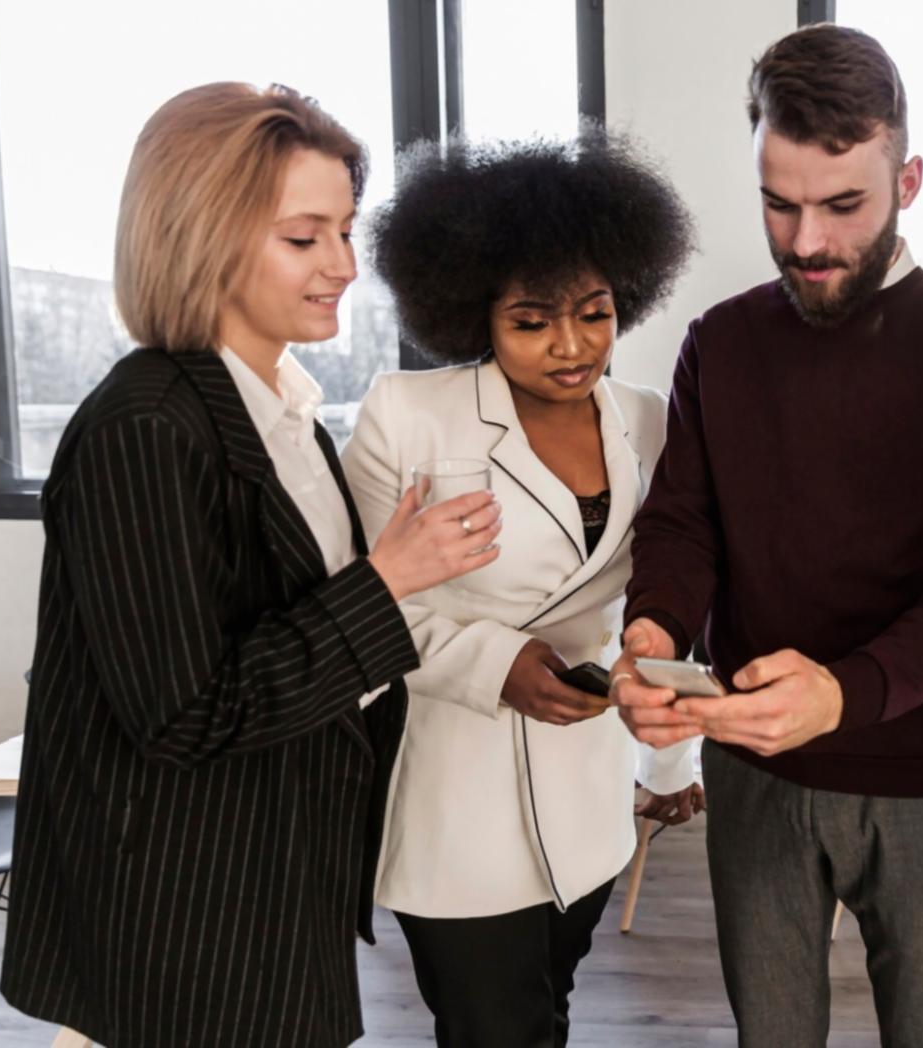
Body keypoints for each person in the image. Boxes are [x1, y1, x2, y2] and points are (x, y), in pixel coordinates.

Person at [0, 83, 501, 1048]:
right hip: (192, 925)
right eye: (304, 237)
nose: (345, 266)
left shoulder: (278, 410)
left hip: (275, 886)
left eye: (346, 233)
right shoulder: (144, 428)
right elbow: (186, 711)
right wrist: (386, 582)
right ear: (205, 235)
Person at [611, 25, 923, 1047]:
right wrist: (652, 634)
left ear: (909, 178)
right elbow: (683, 522)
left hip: (921, 773)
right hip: (753, 774)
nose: (805, 240)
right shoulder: (720, 342)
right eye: (779, 202)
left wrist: (843, 693)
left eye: (843, 205)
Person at [341, 129, 702, 1048]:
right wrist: (495, 663)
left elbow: (661, 595)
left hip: (587, 782)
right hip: (452, 790)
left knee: (549, 1005)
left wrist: (667, 765)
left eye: (595, 312)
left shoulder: (650, 423)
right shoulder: (405, 414)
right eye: (532, 321)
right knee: (491, 1026)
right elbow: (361, 604)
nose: (572, 346)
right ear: (475, 313)